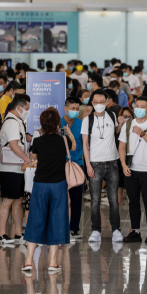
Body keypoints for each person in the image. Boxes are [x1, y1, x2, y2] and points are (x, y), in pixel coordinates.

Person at [22, 108, 75, 275]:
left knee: (35, 220)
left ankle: (29, 260)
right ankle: (53, 262)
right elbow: (72, 148)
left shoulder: (38, 141)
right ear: (58, 122)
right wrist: (69, 133)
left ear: (42, 123)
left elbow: (33, 156)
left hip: (40, 184)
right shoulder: (63, 140)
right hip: (59, 184)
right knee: (57, 221)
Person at [119, 97, 147, 244]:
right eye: (137, 106)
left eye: (142, 106)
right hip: (131, 170)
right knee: (133, 202)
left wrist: (142, 134)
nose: (139, 108)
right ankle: (135, 231)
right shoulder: (127, 125)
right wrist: (123, 164)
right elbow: (122, 146)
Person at [81, 90, 123, 243]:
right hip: (95, 163)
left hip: (112, 162)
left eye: (101, 101)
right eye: (95, 102)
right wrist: (88, 165)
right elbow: (85, 144)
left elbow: (115, 133)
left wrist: (121, 123)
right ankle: (95, 230)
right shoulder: (87, 120)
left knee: (113, 199)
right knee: (95, 200)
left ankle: (116, 230)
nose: (99, 104)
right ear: (92, 103)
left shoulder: (112, 116)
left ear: (107, 102)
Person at [0, 95, 32, 244]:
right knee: (8, 200)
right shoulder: (11, 122)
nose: (28, 111)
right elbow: (14, 145)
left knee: (18, 201)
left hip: (17, 168)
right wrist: (28, 159)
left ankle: (18, 233)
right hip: (9, 168)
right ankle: (1, 234)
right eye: (27, 109)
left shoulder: (17, 121)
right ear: (19, 108)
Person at [62, 97, 85, 238]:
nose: (75, 111)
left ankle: (74, 228)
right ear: (66, 109)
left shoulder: (82, 124)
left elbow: (86, 145)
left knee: (76, 198)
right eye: (73, 109)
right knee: (63, 198)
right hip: (60, 165)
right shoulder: (58, 123)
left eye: (77, 109)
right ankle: (61, 226)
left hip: (77, 165)